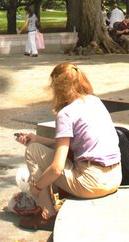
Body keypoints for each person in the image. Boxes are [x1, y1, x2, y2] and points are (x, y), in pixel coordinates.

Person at [14, 63, 121, 230]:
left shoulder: (66, 113)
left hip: (92, 183)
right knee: (36, 146)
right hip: (114, 177)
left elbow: (56, 168)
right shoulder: (95, 101)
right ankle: (48, 205)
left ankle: (47, 214)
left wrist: (37, 187)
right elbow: (68, 141)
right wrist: (37, 138)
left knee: (32, 151)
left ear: (58, 87)